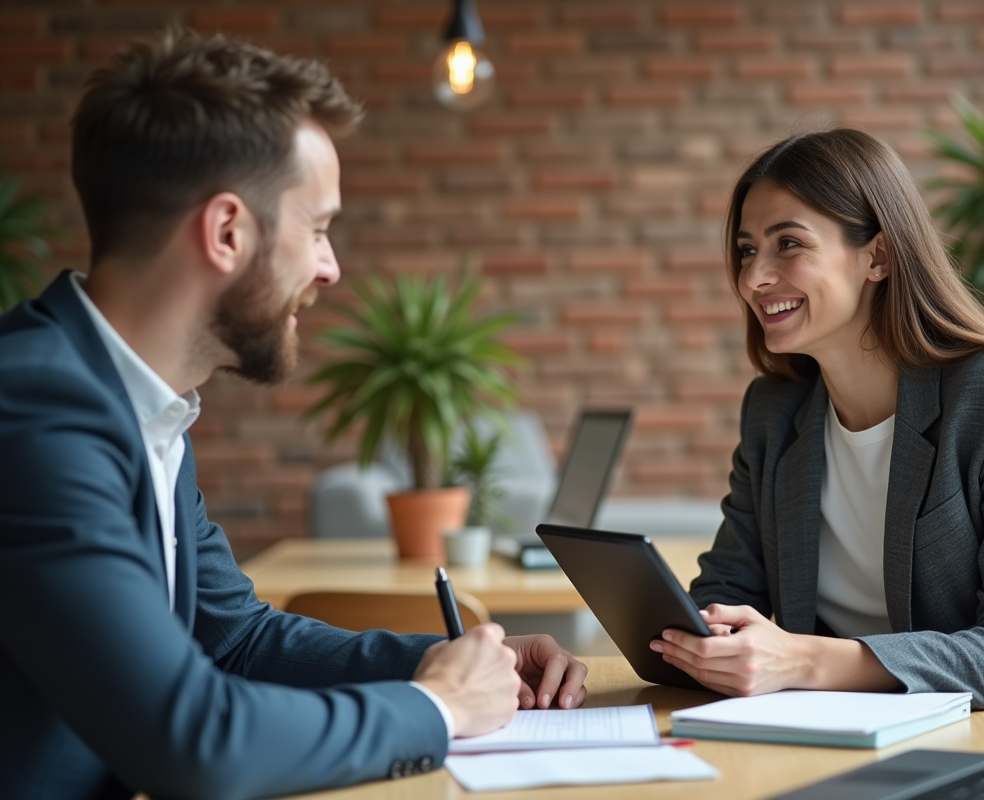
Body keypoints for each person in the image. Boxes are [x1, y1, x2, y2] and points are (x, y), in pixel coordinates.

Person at [0, 30, 586, 800]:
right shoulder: (37, 409)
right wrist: (438, 707)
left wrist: (459, 663)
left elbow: (236, 639)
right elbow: (192, 743)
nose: (331, 266)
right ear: (227, 232)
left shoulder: (136, 403)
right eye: (318, 228)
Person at [650, 129, 984, 759]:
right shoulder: (774, 412)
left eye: (788, 244)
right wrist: (711, 636)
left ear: (879, 256)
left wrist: (808, 660)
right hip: (839, 745)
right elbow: (730, 590)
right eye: (745, 250)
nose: (754, 278)